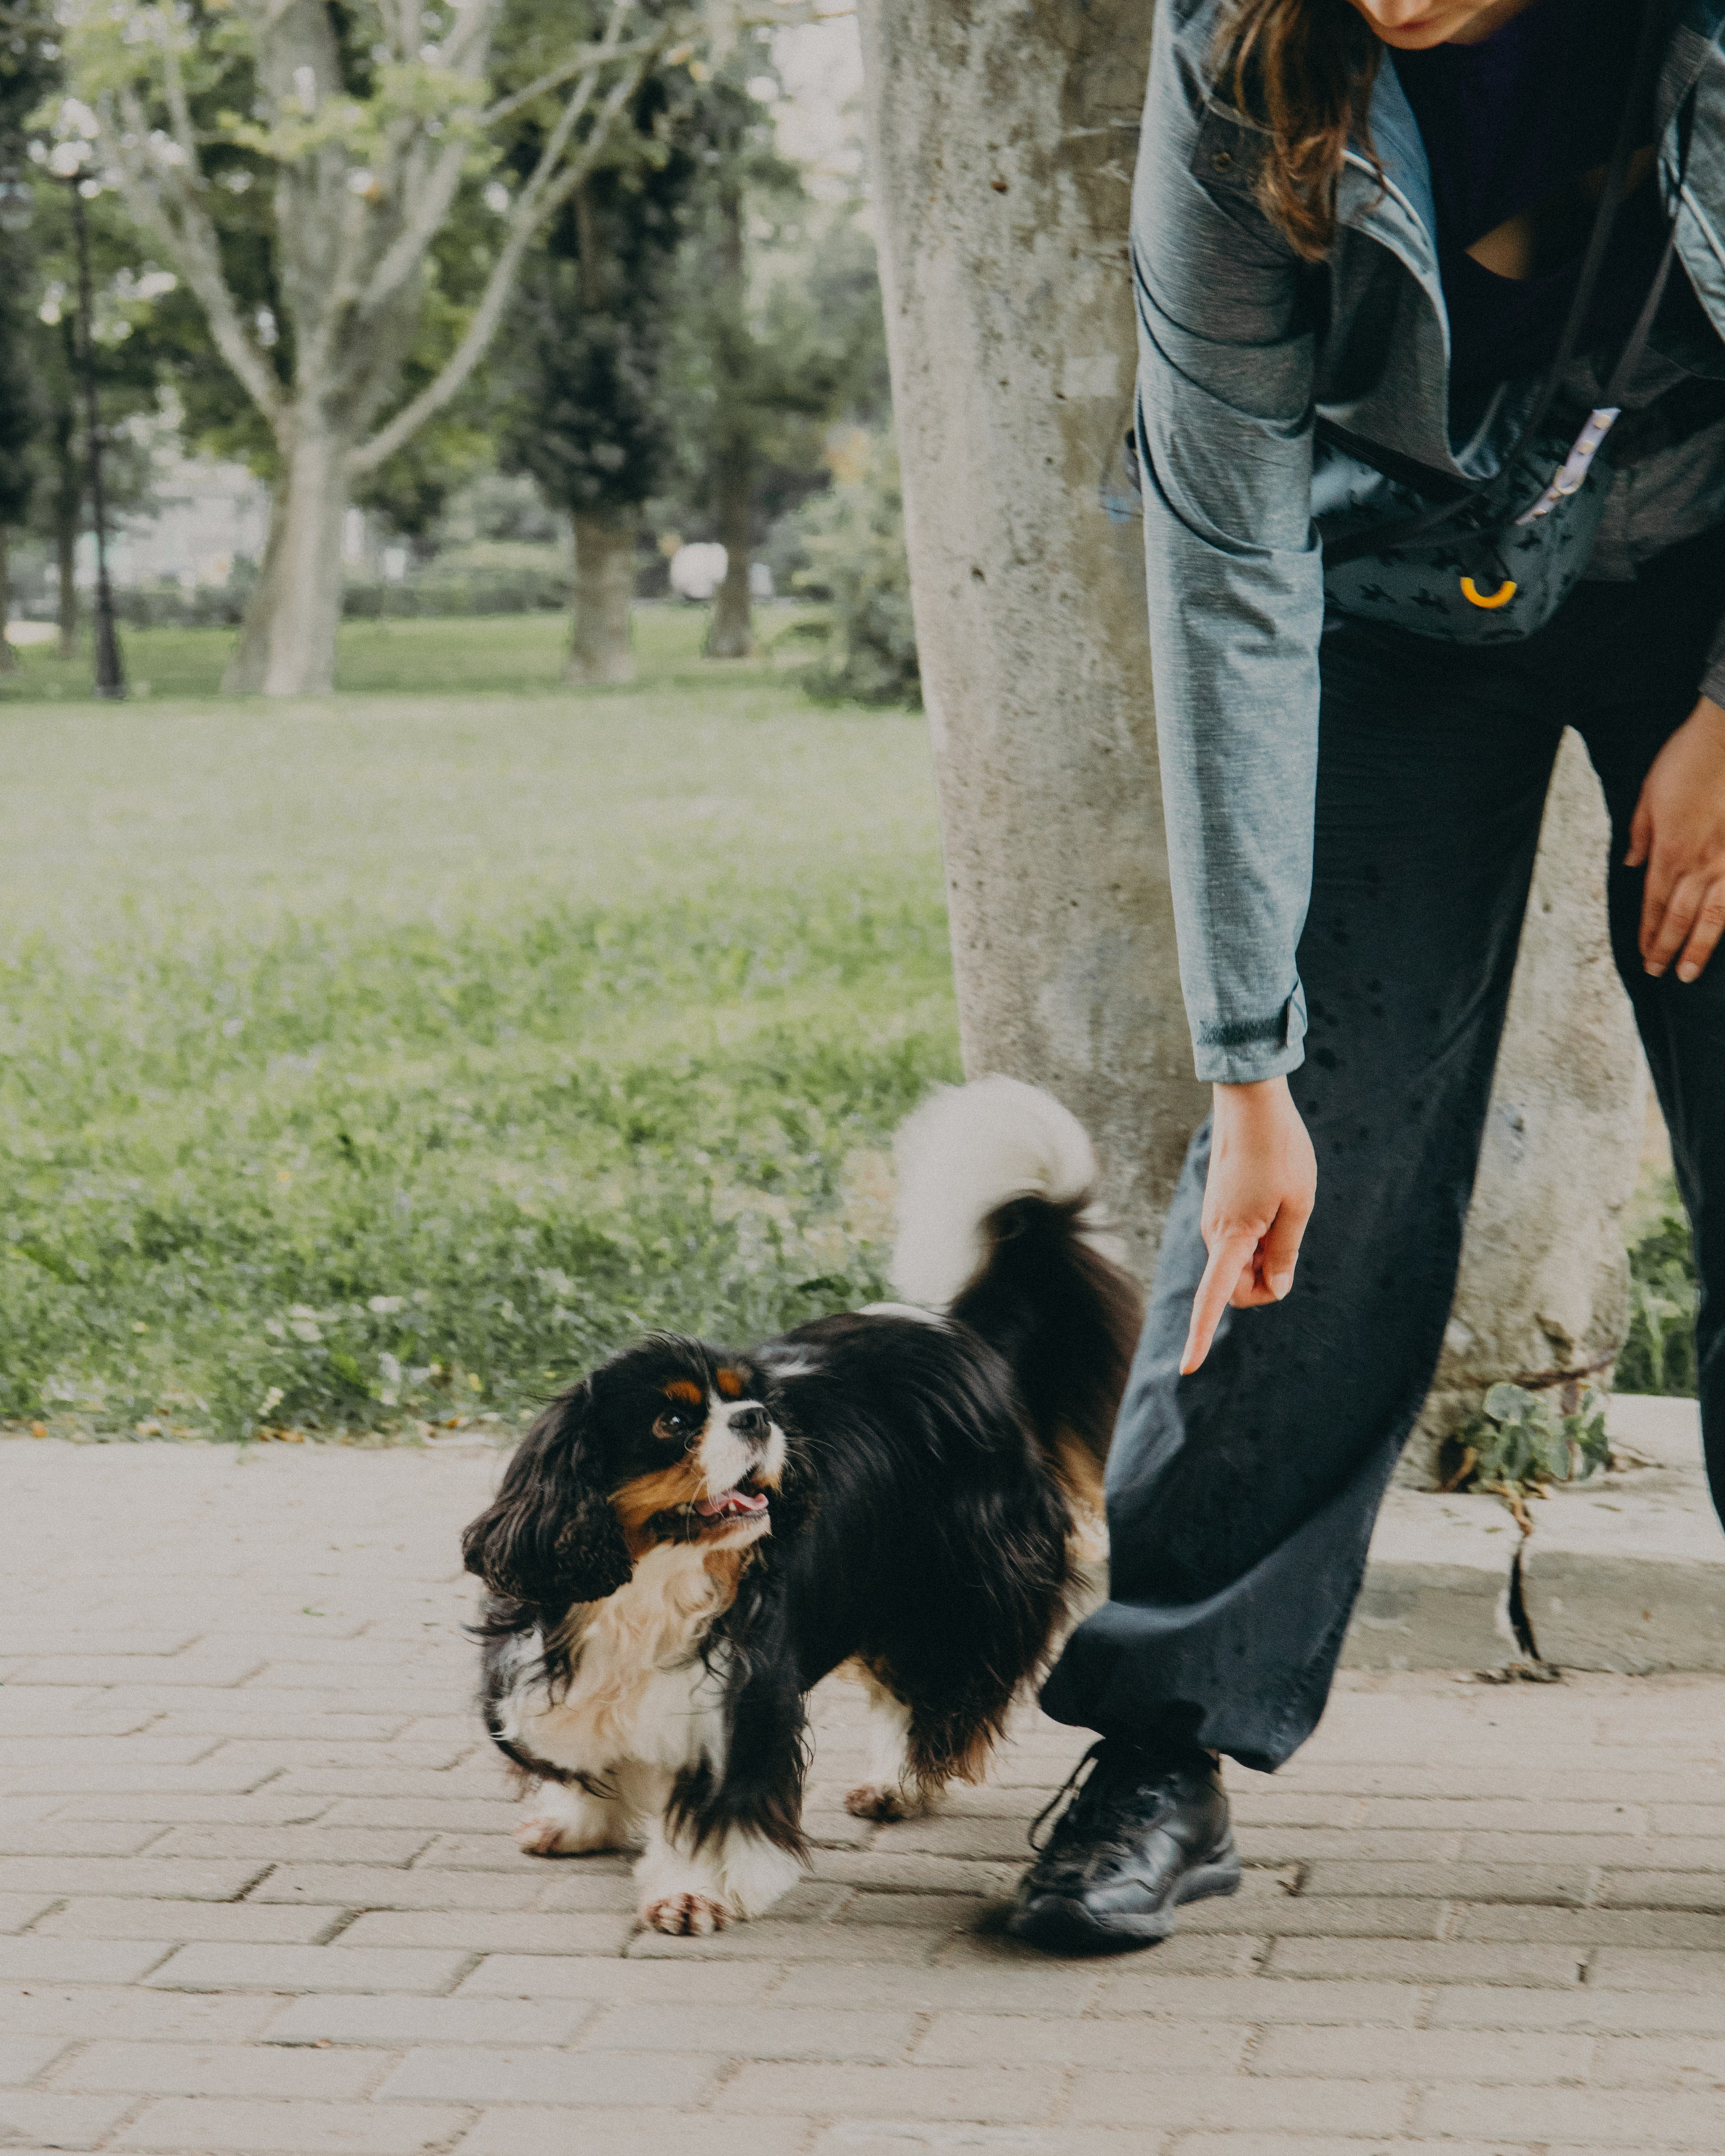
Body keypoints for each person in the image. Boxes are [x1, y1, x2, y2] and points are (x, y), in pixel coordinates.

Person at [1008, 0, 1725, 1955]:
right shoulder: (1240, 52)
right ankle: (1164, 1733)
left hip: (1705, 575)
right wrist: (1255, 1069)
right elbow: (1224, 556)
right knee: (1310, 1172)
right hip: (1399, 596)